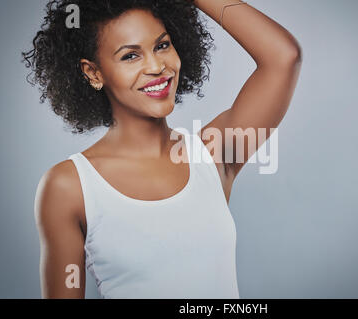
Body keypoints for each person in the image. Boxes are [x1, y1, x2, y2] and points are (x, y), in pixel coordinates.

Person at [23, 0, 302, 298]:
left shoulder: (212, 153)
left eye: (162, 45)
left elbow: (283, 56)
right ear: (93, 72)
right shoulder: (69, 186)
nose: (157, 67)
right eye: (130, 56)